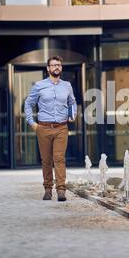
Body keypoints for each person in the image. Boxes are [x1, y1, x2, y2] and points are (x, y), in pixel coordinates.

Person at [24, 56, 77, 202]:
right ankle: (48, 189)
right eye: (53, 65)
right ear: (48, 68)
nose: (56, 67)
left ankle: (61, 190)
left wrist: (73, 114)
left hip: (61, 128)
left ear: (61, 67)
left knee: (59, 158)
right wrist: (32, 123)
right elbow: (28, 104)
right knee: (46, 160)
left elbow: (72, 102)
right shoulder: (39, 85)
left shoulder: (67, 86)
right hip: (44, 128)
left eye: (58, 65)